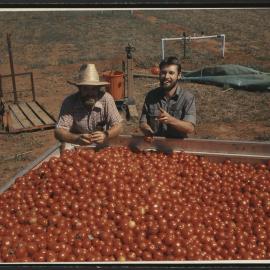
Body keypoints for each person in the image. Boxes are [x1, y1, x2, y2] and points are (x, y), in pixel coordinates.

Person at [55, 64, 123, 145]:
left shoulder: (106, 99)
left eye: (94, 89)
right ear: (80, 89)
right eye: (86, 89)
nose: (90, 93)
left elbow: (118, 125)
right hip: (76, 143)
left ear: (99, 89)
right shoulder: (70, 102)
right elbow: (59, 131)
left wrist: (106, 134)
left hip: (101, 143)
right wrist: (76, 138)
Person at [139, 56, 196, 139]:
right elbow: (143, 122)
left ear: (179, 75)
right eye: (163, 72)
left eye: (171, 73)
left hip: (178, 148)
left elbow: (190, 128)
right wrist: (147, 130)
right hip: (155, 146)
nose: (166, 76)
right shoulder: (151, 96)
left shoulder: (187, 98)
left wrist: (171, 120)